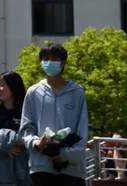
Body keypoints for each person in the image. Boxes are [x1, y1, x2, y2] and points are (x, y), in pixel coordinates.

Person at [19, 43, 88, 186]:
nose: (49, 62)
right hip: (40, 168)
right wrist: (37, 143)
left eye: (54, 58)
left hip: (72, 170)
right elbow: (26, 128)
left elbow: (82, 130)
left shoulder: (77, 92)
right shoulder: (33, 92)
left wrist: (65, 154)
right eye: (46, 58)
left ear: (63, 62)